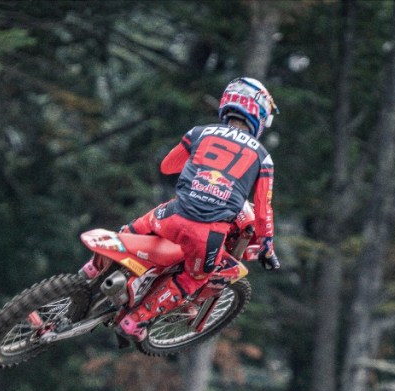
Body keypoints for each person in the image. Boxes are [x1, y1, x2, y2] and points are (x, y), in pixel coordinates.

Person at [115, 77, 281, 341]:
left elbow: (167, 166)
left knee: (130, 231)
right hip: (207, 235)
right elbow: (263, 211)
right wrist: (268, 248)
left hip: (173, 214)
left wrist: (203, 169)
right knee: (196, 276)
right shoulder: (263, 157)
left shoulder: (199, 133)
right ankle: (136, 320)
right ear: (259, 114)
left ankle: (93, 270)